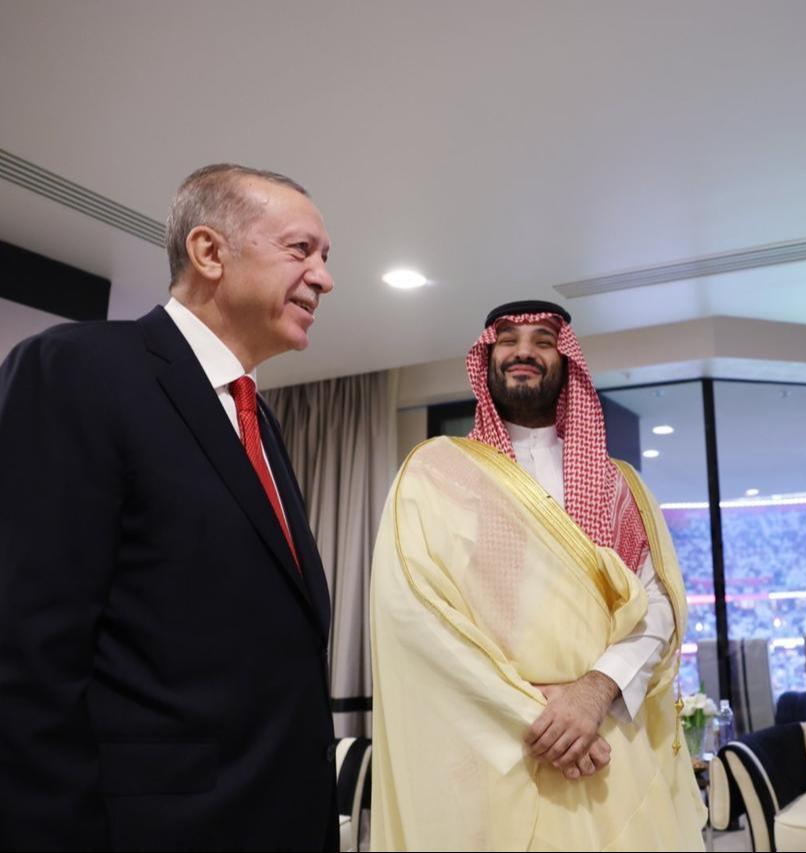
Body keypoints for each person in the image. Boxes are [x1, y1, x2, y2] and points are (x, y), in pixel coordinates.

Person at [0, 164, 338, 850]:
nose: (325, 278)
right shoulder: (77, 369)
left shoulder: (258, 421)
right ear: (209, 252)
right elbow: (25, 652)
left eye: (325, 257)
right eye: (301, 250)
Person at [369, 299, 705, 851]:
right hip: (490, 755)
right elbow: (416, 616)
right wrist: (536, 713)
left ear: (566, 361)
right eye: (508, 340)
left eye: (543, 341)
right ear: (487, 358)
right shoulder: (437, 477)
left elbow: (658, 607)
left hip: (605, 747)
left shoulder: (620, 488)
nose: (523, 351)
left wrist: (592, 695)